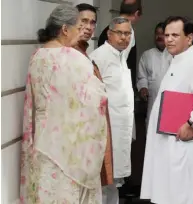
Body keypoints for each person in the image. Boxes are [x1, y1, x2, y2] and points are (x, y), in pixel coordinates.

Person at [20, 5, 108, 203]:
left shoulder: (37, 56)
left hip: (42, 140)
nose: (81, 32)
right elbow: (97, 100)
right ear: (65, 29)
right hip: (69, 148)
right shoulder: (73, 59)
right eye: (78, 27)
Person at [140, 16, 193, 204]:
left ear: (189, 38)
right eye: (167, 35)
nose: (169, 39)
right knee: (170, 193)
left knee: (183, 195)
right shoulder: (176, 59)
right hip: (170, 142)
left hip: (184, 141)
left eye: (175, 35)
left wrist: (191, 123)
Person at [90, 17, 135, 204]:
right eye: (120, 33)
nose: (124, 37)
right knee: (103, 179)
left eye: (127, 33)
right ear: (109, 34)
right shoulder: (99, 57)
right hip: (106, 129)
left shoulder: (121, 56)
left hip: (122, 127)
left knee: (113, 181)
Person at [74, 3, 114, 187]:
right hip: (75, 138)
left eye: (92, 22)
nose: (89, 27)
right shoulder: (65, 54)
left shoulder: (84, 53)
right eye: (84, 21)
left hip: (90, 135)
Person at [136, 22, 170, 124]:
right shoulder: (147, 55)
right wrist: (143, 88)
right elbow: (142, 77)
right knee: (152, 125)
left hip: (171, 100)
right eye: (157, 33)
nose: (159, 37)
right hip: (153, 99)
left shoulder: (175, 54)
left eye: (162, 34)